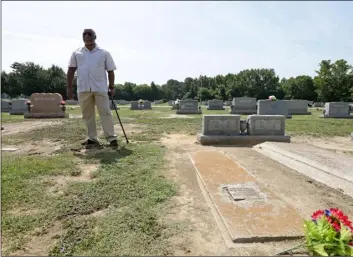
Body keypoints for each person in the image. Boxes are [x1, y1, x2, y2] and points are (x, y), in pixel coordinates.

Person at [67, 28, 118, 148]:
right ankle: (92, 139)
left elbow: (110, 71)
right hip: (83, 88)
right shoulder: (77, 53)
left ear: (95, 37)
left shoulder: (104, 53)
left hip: (100, 88)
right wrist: (69, 87)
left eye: (90, 35)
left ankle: (111, 138)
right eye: (84, 35)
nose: (87, 37)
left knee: (105, 113)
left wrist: (112, 87)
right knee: (87, 115)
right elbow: (71, 70)